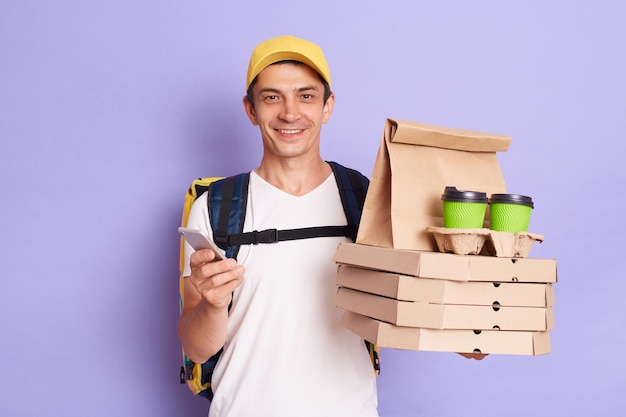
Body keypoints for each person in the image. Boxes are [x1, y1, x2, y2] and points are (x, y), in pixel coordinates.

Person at [178, 35, 379, 417]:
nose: (290, 113)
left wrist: (475, 328)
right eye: (272, 97)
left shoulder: (367, 202)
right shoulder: (216, 207)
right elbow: (197, 348)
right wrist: (212, 305)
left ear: (327, 106)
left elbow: (415, 301)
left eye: (306, 96)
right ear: (250, 110)